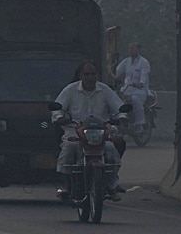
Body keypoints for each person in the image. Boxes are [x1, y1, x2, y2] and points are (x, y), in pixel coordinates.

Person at [53, 59, 126, 200]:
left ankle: (111, 185)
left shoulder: (105, 90)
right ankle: (66, 185)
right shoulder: (70, 90)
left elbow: (119, 107)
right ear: (81, 75)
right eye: (86, 74)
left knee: (111, 152)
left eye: (93, 74)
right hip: (74, 131)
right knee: (68, 150)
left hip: (100, 133)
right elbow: (58, 108)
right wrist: (60, 117)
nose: (90, 77)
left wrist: (122, 117)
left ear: (97, 75)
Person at [113, 43, 153, 130]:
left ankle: (139, 123)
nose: (130, 50)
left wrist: (140, 83)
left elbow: (144, 76)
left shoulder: (144, 62)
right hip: (127, 89)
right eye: (129, 48)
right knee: (115, 98)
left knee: (135, 99)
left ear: (138, 50)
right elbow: (118, 71)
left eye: (132, 48)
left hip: (140, 90)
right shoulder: (126, 61)